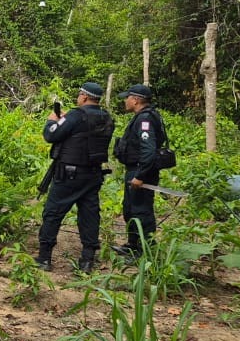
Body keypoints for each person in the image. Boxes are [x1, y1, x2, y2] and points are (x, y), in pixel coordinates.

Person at [34, 82, 114, 272]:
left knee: (53, 213)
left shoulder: (75, 115)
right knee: (89, 215)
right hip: (94, 174)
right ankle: (87, 261)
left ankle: (44, 258)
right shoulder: (106, 118)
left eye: (79, 95)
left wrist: (52, 121)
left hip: (69, 174)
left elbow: (51, 135)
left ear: (84, 97)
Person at [113, 83, 165, 258]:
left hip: (141, 172)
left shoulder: (145, 120)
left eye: (127, 98)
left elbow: (148, 151)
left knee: (141, 212)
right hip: (135, 170)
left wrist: (140, 176)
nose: (125, 101)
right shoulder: (143, 117)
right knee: (130, 210)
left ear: (135, 100)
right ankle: (133, 245)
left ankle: (145, 250)